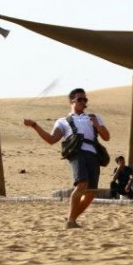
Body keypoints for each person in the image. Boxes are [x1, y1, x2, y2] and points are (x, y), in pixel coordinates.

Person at [23, 87, 110, 229]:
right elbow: (51, 139)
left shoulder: (94, 118)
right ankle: (71, 221)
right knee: (82, 185)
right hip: (76, 153)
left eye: (85, 99)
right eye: (80, 99)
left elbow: (107, 137)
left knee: (91, 192)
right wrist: (34, 125)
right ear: (72, 101)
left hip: (93, 154)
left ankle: (72, 217)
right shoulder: (63, 121)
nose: (83, 102)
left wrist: (98, 126)